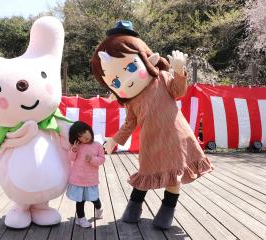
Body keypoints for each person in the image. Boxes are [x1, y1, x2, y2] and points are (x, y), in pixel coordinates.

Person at [90, 20, 213, 229]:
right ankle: (134, 207)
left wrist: (180, 72)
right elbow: (129, 124)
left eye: (130, 67)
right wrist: (114, 141)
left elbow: (178, 91)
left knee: (174, 175)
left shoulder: (162, 78)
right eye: (115, 82)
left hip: (176, 136)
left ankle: (166, 212)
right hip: (150, 140)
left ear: (145, 59)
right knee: (146, 173)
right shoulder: (132, 100)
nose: (125, 79)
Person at [66, 121, 106, 228]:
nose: (83, 137)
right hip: (78, 179)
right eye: (80, 136)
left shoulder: (97, 145)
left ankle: (99, 209)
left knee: (95, 199)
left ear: (89, 129)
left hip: (91, 179)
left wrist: (92, 159)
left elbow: (102, 159)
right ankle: (81, 218)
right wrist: (73, 150)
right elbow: (70, 158)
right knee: (80, 201)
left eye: (84, 132)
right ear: (77, 138)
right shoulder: (77, 146)